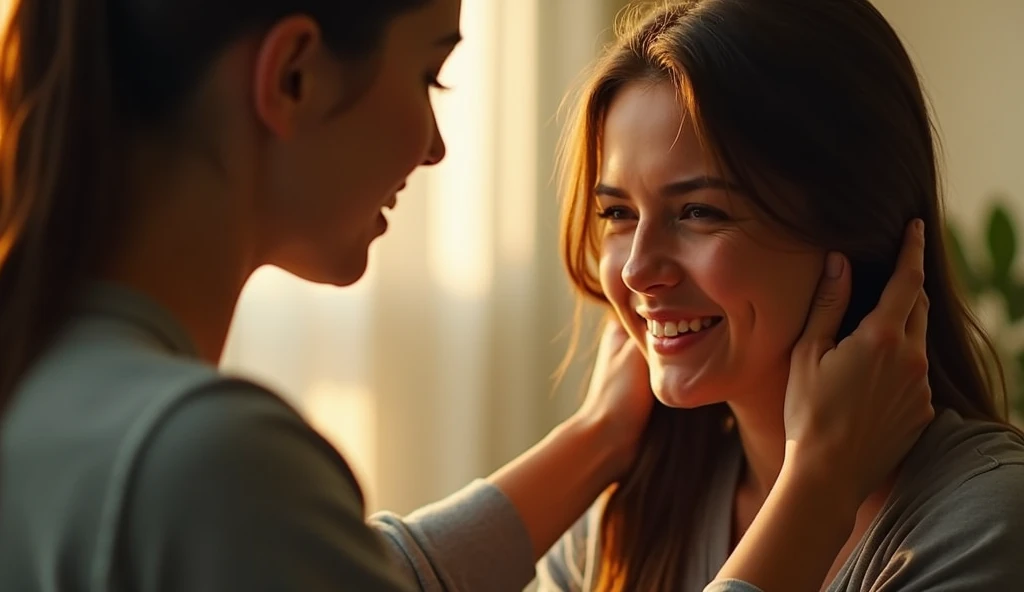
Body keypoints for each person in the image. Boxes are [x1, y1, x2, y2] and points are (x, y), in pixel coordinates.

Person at [0, 0, 930, 591]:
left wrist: (597, 441)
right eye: (428, 71)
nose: (437, 145)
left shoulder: (46, 397)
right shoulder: (197, 460)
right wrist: (816, 488)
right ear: (293, 76)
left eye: (701, 212)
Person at [539, 0, 1024, 591]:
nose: (639, 269)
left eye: (698, 211)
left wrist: (819, 483)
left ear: (854, 224)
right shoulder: (626, 517)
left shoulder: (987, 522)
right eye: (617, 212)